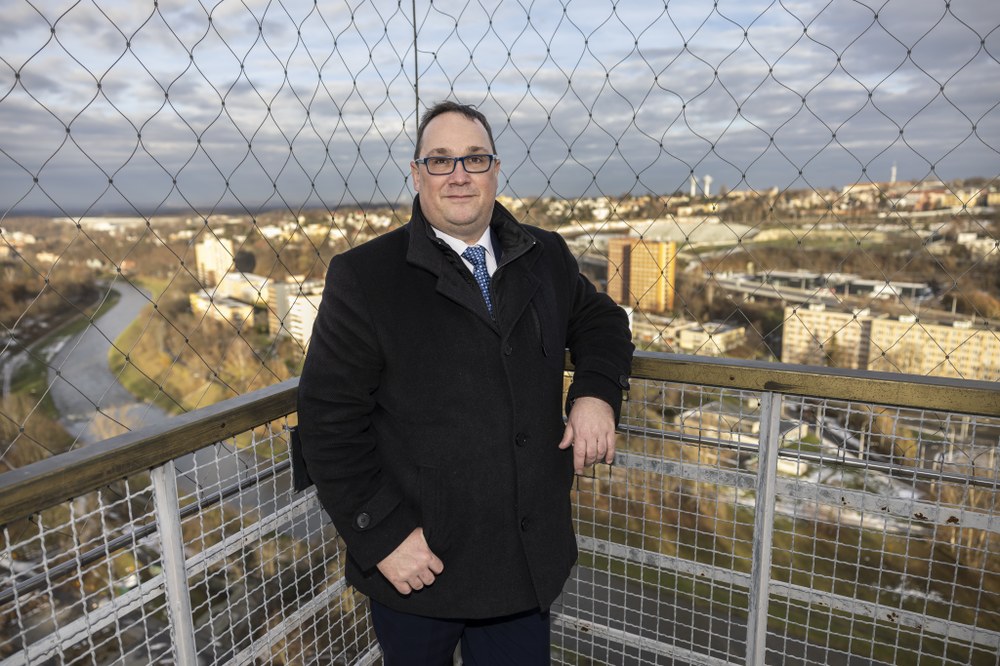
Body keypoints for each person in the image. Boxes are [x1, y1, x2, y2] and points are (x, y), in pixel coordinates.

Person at [296, 100, 634, 665]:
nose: (458, 174)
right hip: (421, 566)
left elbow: (600, 320)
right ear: (416, 173)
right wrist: (381, 537)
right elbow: (328, 421)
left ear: (496, 170)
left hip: (521, 567)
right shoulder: (366, 277)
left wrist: (596, 392)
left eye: (474, 159)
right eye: (440, 160)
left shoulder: (543, 254)